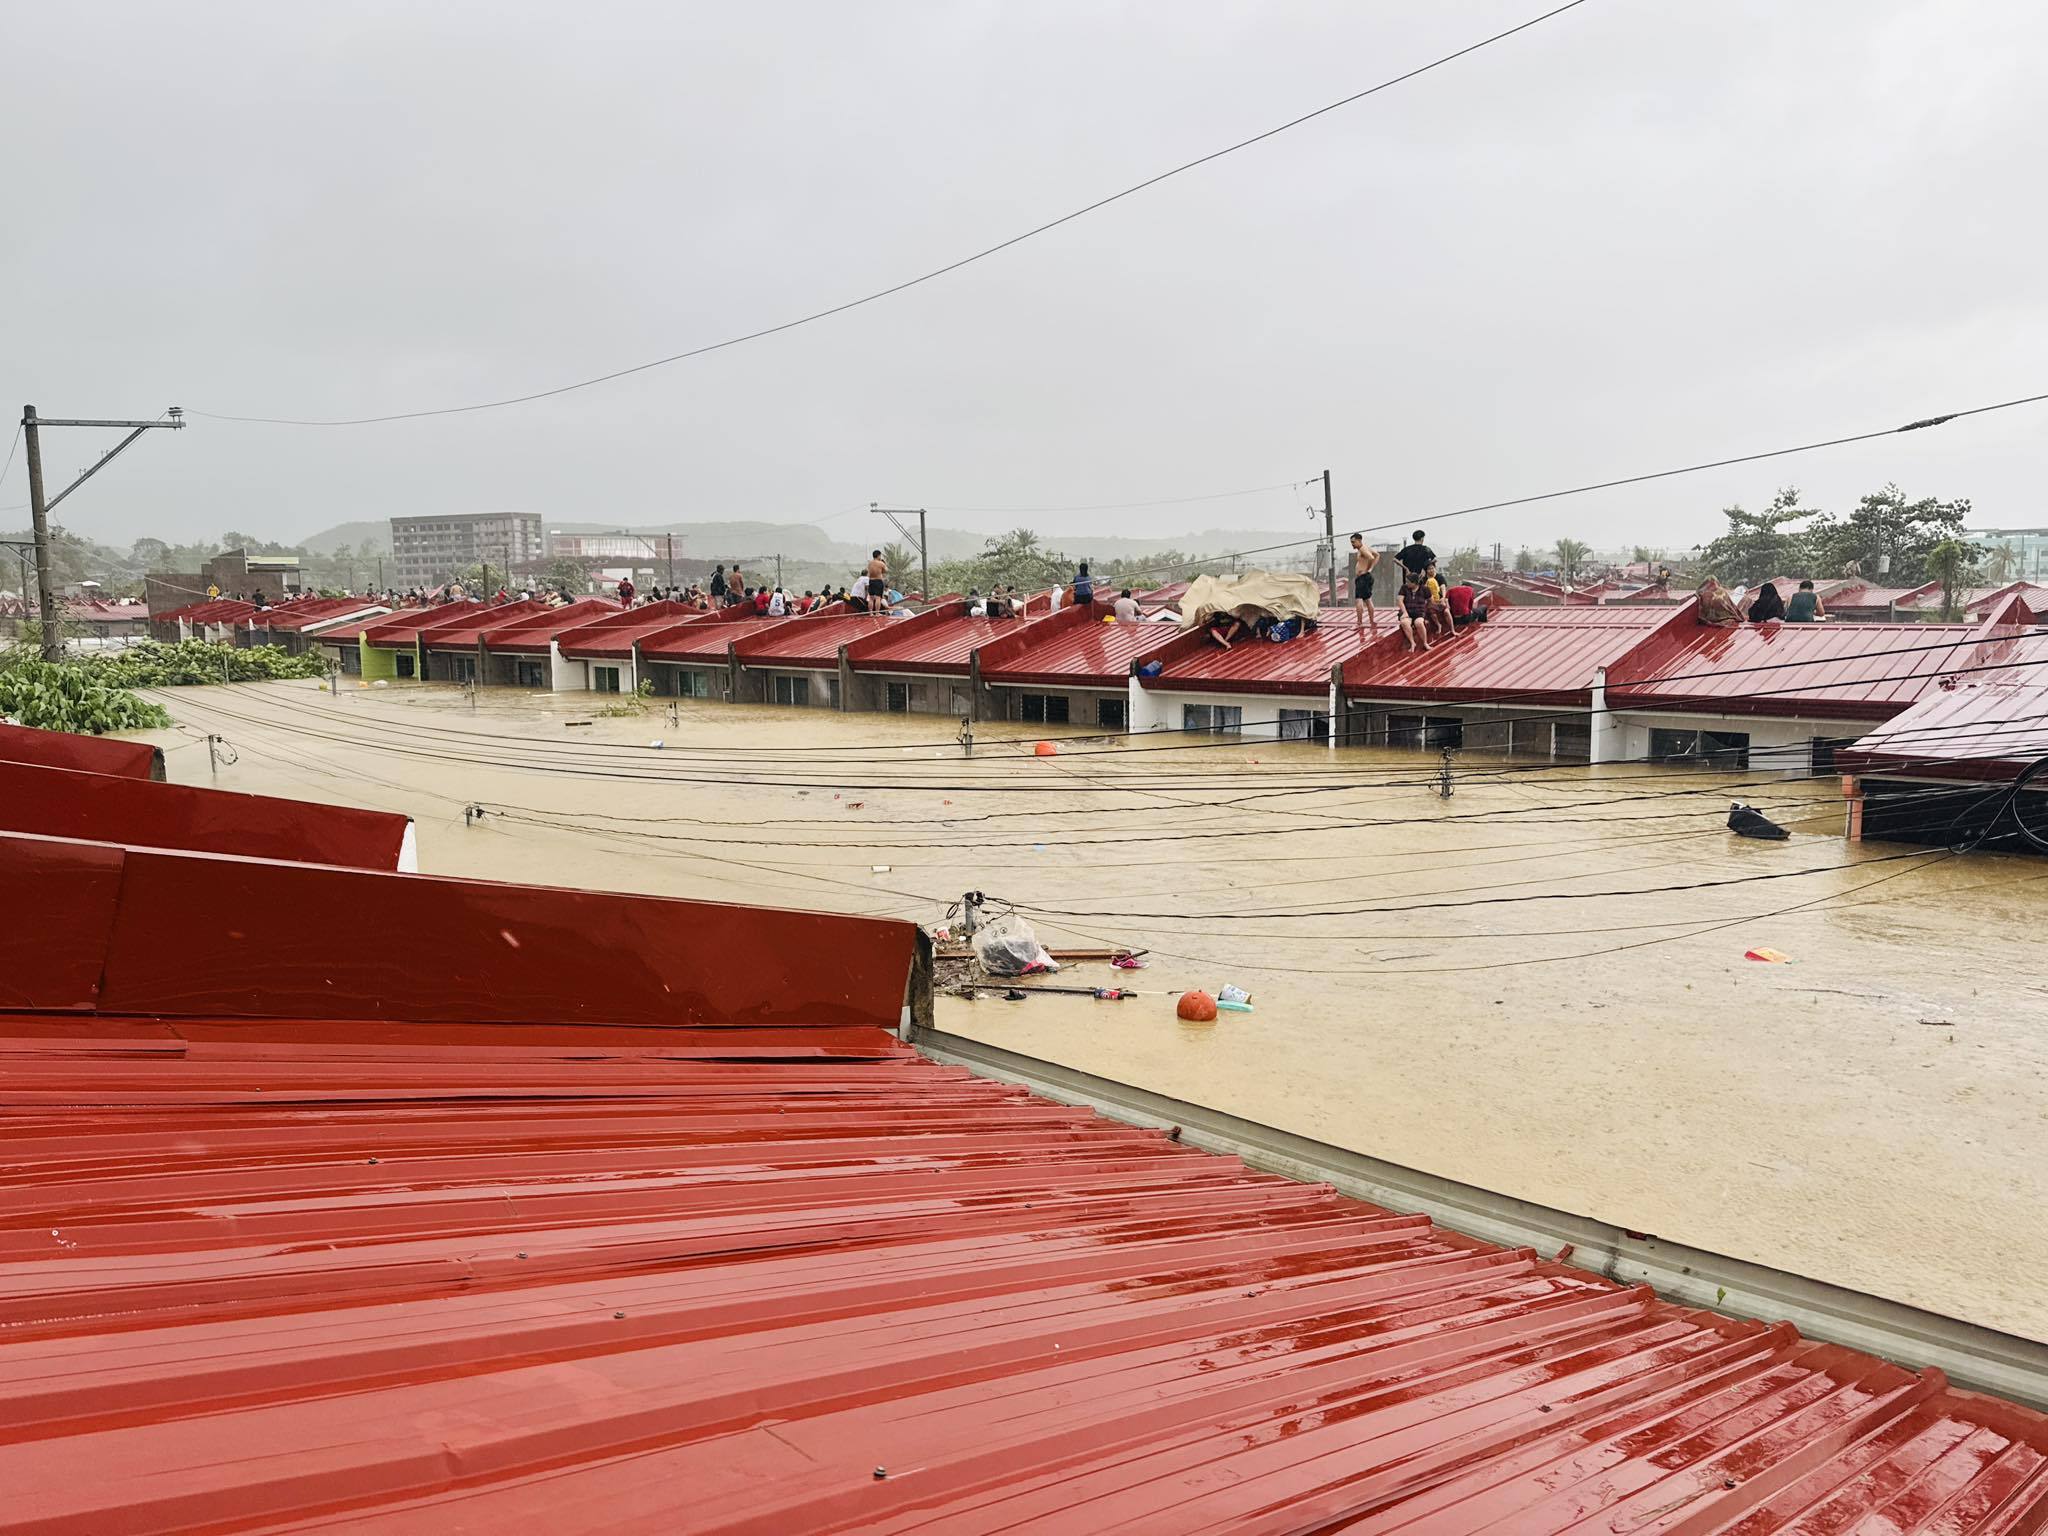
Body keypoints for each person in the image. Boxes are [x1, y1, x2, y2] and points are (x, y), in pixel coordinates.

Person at [1349, 533, 1379, 627]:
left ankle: (1359, 623)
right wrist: (1370, 569)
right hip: (1365, 577)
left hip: (1363, 578)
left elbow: (1371, 557)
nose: (1352, 544)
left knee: (1359, 600)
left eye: (1353, 542)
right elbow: (1377, 555)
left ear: (1359, 541)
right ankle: (1371, 621)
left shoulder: (1362, 549)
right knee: (1368, 599)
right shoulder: (1365, 548)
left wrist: (1368, 569)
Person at [1396, 576, 1431, 652]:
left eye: (1408, 582)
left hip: (1419, 612)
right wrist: (1404, 612)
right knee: (1404, 622)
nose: (1407, 583)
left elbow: (1430, 601)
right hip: (1407, 612)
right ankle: (1412, 642)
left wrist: (1427, 613)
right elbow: (1400, 600)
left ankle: (1425, 643)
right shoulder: (1404, 588)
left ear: (1415, 583)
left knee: (1419, 623)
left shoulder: (1424, 589)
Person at [865, 550, 888, 614]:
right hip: (878, 581)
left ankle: (870, 613)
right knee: (878, 598)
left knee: (871, 598)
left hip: (871, 581)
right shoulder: (881, 563)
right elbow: (886, 570)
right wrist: (884, 564)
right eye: (880, 555)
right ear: (878, 555)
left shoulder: (870, 563)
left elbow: (870, 571)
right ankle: (877, 613)